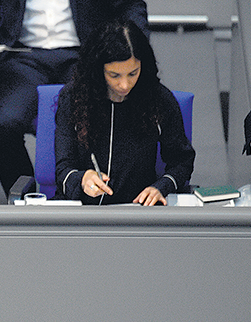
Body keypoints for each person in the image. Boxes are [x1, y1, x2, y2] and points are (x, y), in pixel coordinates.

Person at [0, 0, 150, 197]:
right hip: (22, 56)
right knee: (3, 126)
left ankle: (85, 192)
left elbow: (129, 3)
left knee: (93, 117)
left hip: (85, 54)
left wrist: (136, 47)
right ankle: (28, 199)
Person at [54, 21, 195, 206]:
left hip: (137, 209)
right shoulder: (74, 98)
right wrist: (82, 178)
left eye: (133, 73)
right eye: (114, 75)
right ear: (98, 70)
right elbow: (63, 169)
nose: (124, 85)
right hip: (82, 210)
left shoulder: (158, 99)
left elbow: (182, 161)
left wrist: (161, 187)